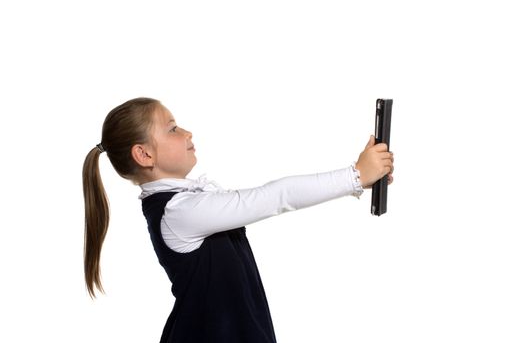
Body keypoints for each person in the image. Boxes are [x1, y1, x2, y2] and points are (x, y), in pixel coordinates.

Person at [82, 97, 394, 343]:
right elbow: (275, 197)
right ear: (144, 155)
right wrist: (354, 175)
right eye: (172, 129)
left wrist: (362, 178)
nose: (187, 133)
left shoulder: (187, 203)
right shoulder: (179, 211)